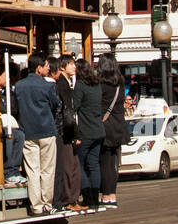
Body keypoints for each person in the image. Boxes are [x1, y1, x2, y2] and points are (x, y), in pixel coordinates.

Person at [14, 51, 60, 215]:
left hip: (28, 132)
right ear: (38, 68)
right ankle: (47, 204)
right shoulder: (47, 86)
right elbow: (56, 104)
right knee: (47, 170)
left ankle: (36, 206)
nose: (48, 68)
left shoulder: (19, 86)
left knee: (32, 170)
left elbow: (16, 108)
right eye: (46, 66)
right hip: (47, 130)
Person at [70, 59, 104, 210]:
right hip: (98, 130)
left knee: (80, 164)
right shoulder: (97, 85)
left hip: (85, 131)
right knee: (94, 164)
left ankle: (88, 197)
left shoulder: (80, 85)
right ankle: (95, 198)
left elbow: (74, 106)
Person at [98, 54, 127, 206]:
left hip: (105, 126)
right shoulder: (120, 83)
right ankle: (113, 195)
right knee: (114, 163)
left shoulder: (100, 84)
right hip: (118, 126)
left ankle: (106, 195)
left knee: (105, 162)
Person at [52, 56, 80, 210]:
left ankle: (72, 199)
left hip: (66, 130)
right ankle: (68, 200)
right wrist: (74, 133)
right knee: (69, 166)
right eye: (71, 64)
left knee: (72, 166)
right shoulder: (62, 85)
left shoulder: (65, 83)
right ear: (62, 67)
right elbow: (67, 112)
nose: (74, 67)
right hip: (65, 131)